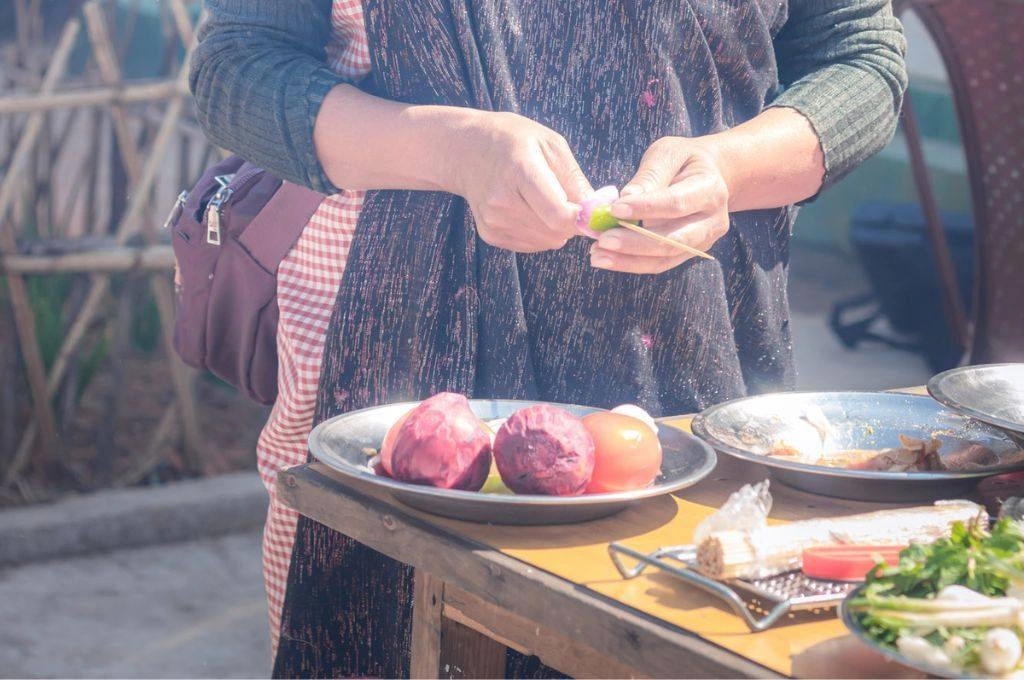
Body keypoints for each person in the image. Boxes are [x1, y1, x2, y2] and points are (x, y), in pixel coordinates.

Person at [190, 0, 907, 675]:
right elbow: (238, 68)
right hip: (406, 373)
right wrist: (455, 150)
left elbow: (860, 57)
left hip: (698, 354)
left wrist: (728, 169)